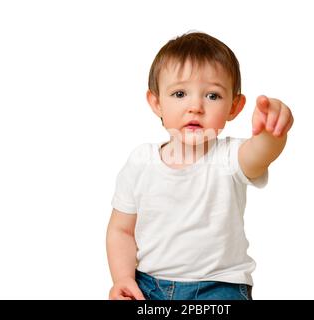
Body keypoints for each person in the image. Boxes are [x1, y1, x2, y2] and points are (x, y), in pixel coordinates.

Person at [106, 31, 294, 300]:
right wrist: (122, 278)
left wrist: (272, 132)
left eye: (213, 96)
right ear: (157, 102)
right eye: (180, 93)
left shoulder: (231, 157)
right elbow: (121, 230)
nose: (195, 106)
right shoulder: (141, 162)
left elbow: (261, 153)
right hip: (149, 285)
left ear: (234, 106)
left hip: (219, 287)